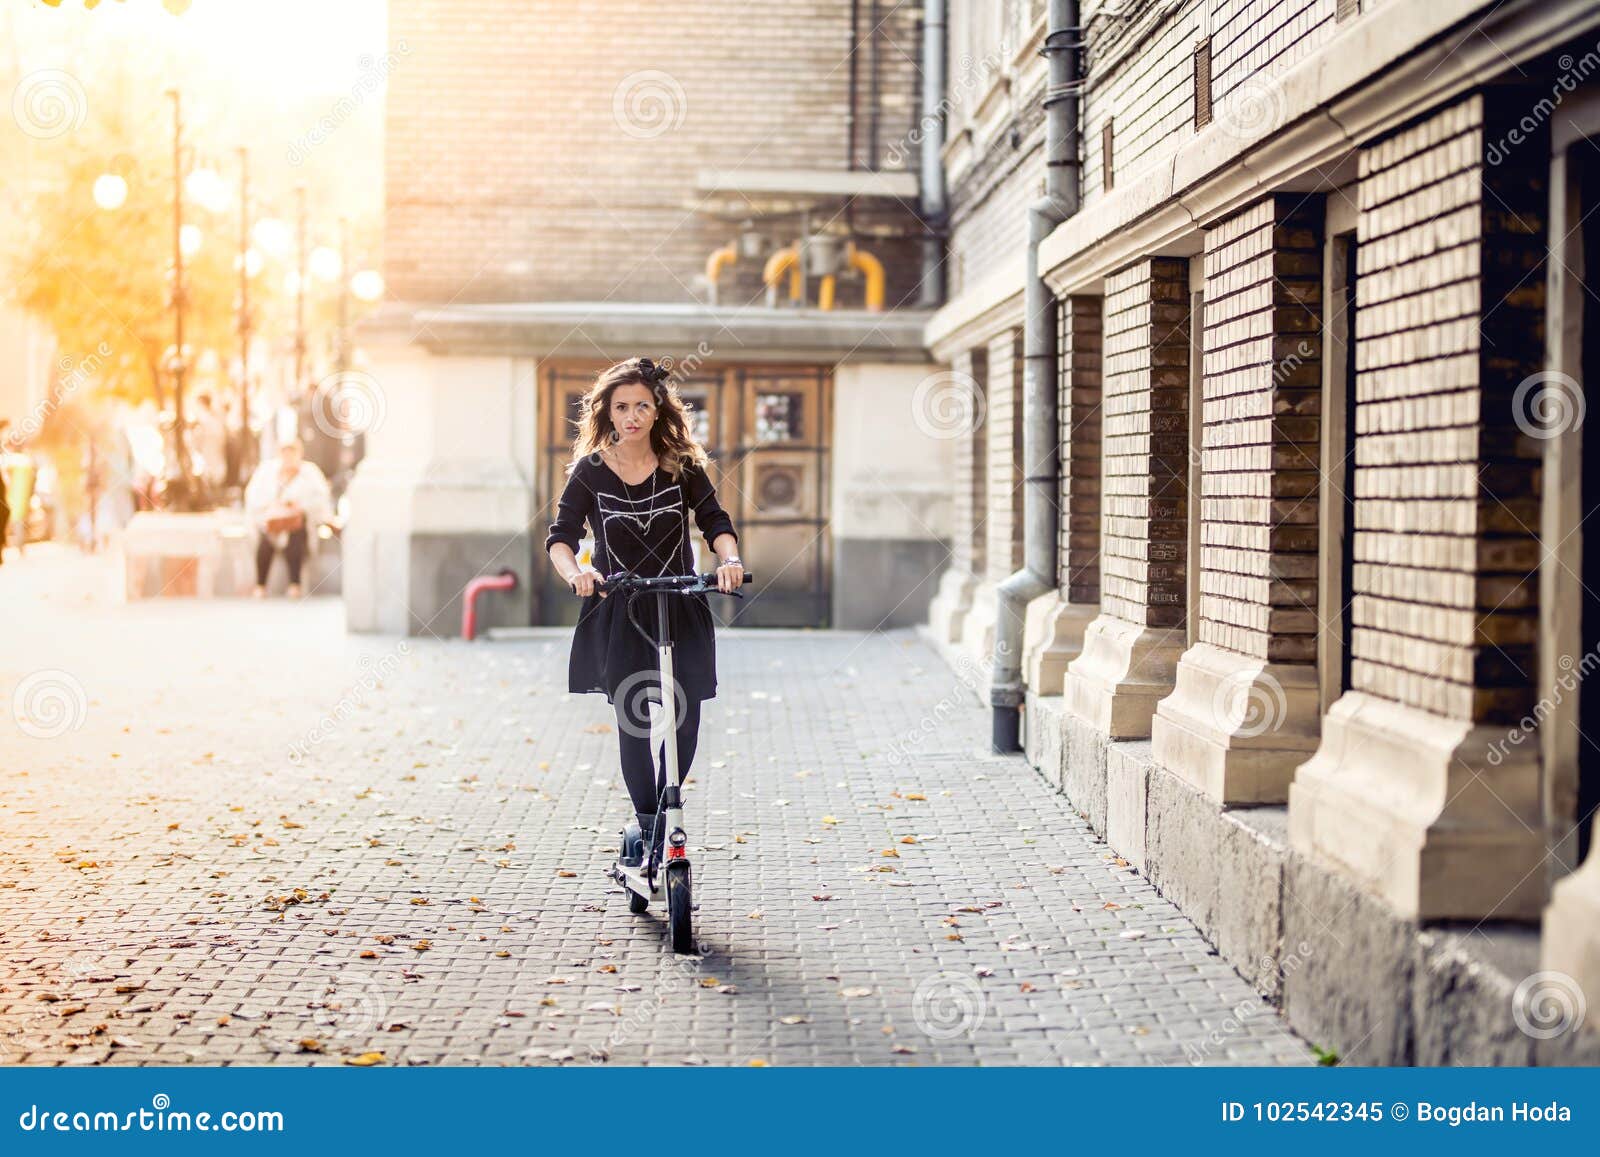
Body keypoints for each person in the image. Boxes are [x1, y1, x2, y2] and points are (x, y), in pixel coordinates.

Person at [543, 356, 744, 864]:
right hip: (620, 612)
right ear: (607, 413)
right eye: (621, 407)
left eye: (642, 406)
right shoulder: (590, 471)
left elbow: (714, 521)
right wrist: (578, 574)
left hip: (679, 605)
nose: (632, 416)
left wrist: (730, 560)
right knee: (634, 720)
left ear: (658, 411)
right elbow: (560, 540)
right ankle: (652, 828)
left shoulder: (683, 466)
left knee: (684, 718)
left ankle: (663, 815)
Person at [244, 437, 332, 598]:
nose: (288, 456)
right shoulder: (266, 471)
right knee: (265, 542)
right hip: (271, 522)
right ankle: (260, 585)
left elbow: (320, 499)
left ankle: (295, 584)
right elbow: (253, 497)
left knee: (296, 540)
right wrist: (274, 507)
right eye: (285, 452)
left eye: (292, 452)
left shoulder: (310, 472)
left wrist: (299, 507)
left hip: (298, 523)